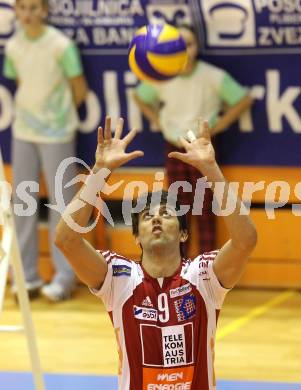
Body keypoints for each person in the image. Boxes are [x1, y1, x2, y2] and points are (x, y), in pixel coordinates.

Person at [55, 116, 257, 390]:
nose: (157, 219)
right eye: (148, 217)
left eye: (167, 214)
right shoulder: (118, 277)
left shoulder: (203, 275)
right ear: (136, 236)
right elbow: (66, 240)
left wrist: (211, 169)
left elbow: (246, 240)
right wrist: (99, 171)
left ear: (184, 233)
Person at [133, 24, 254, 255]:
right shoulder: (162, 76)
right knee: (178, 208)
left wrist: (221, 124)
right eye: (180, 45)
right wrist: (157, 119)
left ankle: (207, 263)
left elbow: (243, 99)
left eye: (189, 44)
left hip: (201, 148)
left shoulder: (212, 76)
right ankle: (180, 263)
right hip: (175, 146)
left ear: (197, 46)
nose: (185, 51)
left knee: (206, 207)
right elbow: (139, 96)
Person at [3, 0, 88, 301]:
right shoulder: (13, 46)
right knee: (23, 203)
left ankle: (65, 277)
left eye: (34, 7)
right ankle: (26, 276)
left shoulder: (61, 45)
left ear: (45, 10)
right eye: (22, 7)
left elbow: (79, 88)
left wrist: (58, 118)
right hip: (23, 131)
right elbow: (22, 82)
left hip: (58, 133)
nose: (28, 13)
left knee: (62, 205)